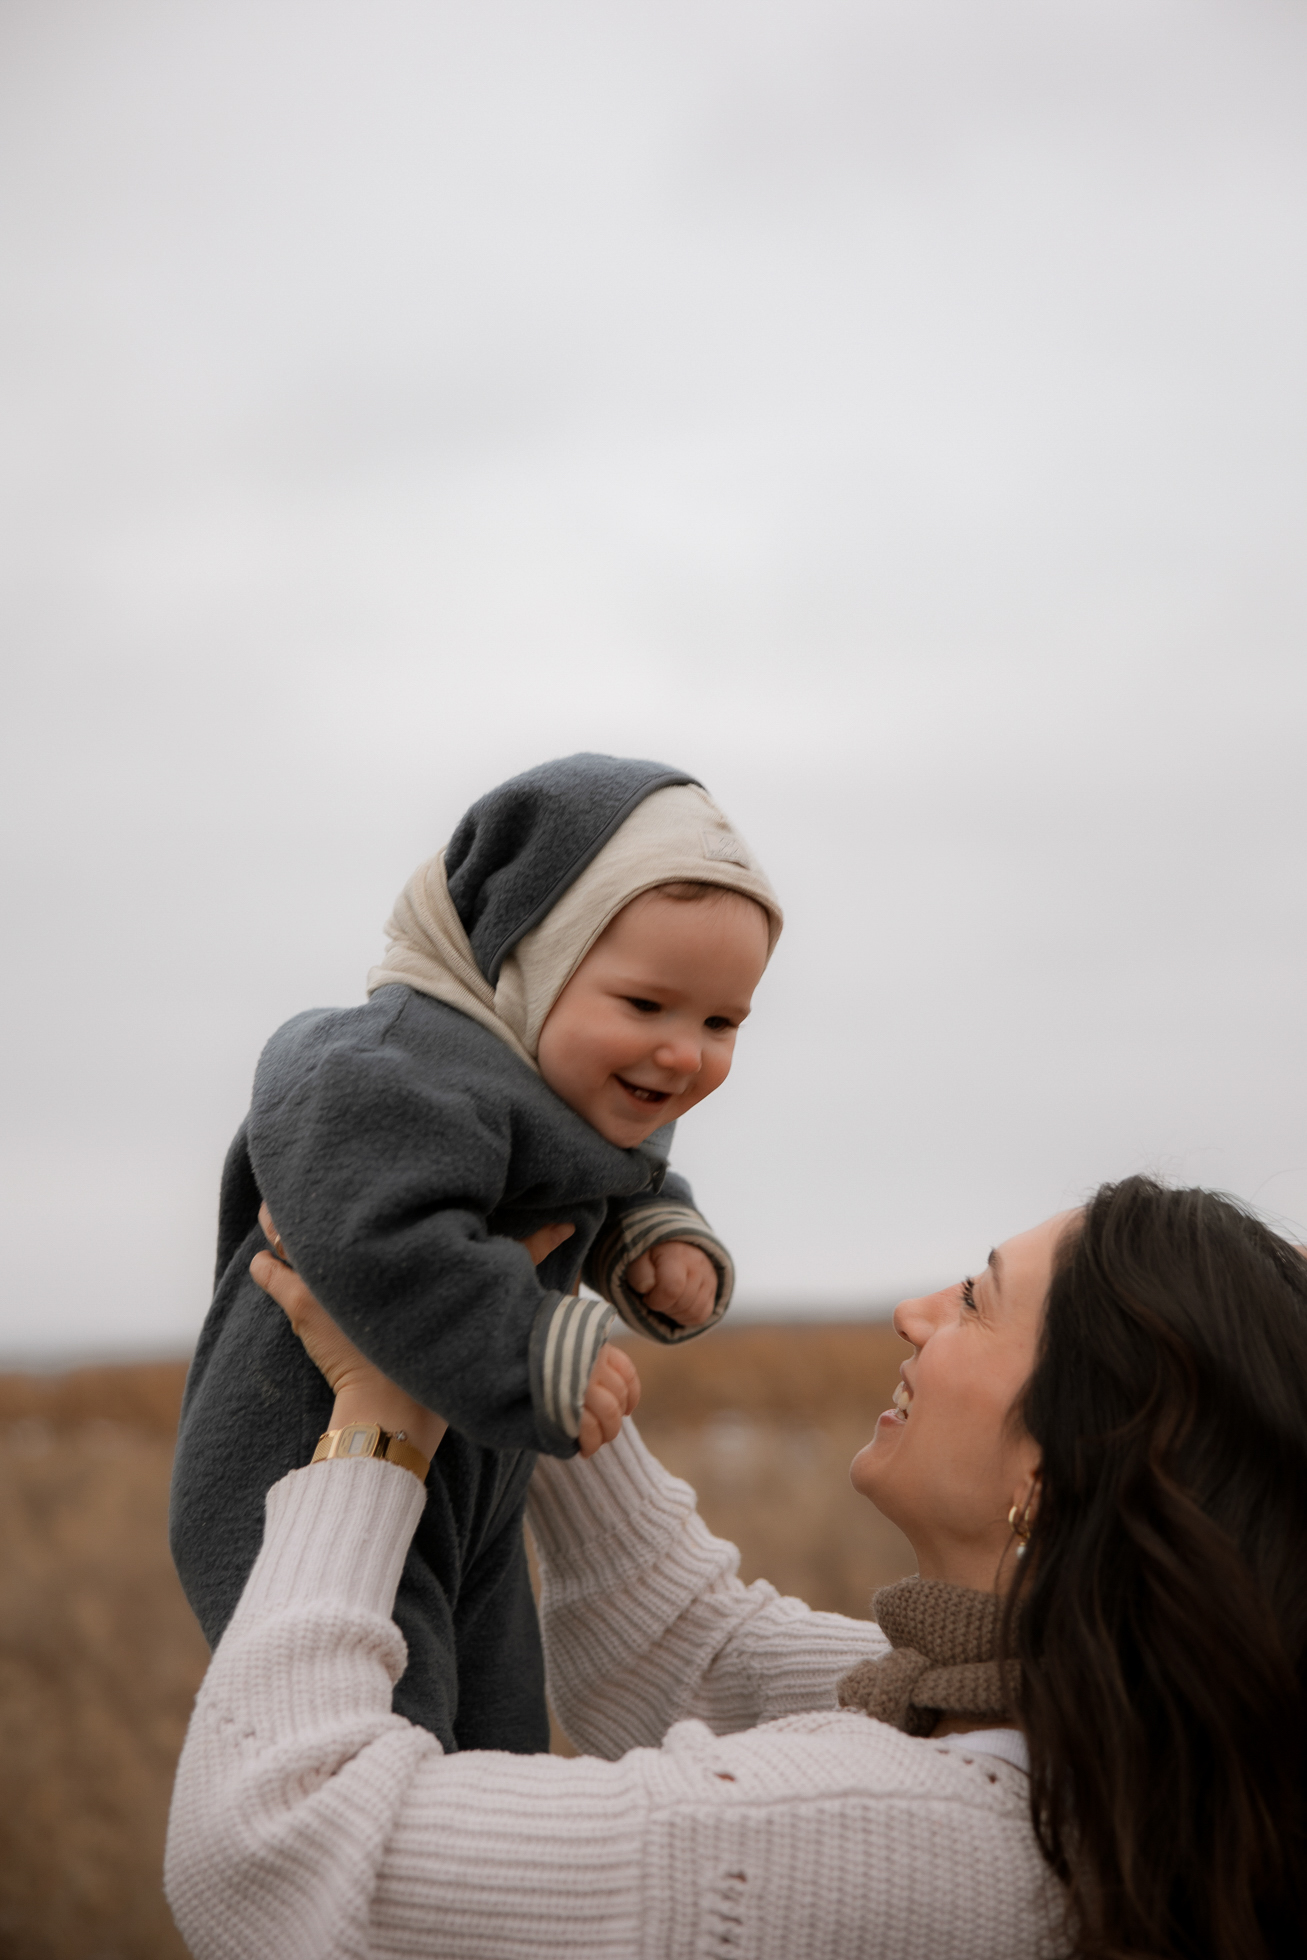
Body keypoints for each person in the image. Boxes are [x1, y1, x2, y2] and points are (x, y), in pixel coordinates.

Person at [165, 1176, 1307, 1959]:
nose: (913, 1313)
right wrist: (515, 1348)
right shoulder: (1114, 1743)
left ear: (1062, 1466)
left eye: (975, 1301)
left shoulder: (889, 1836)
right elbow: (690, 1651)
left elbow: (273, 1856)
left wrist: (376, 1424)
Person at [169, 752, 782, 1747]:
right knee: (373, 1738)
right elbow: (382, 1235)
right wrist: (526, 1346)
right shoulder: (381, 1071)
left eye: (721, 1021)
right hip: (304, 1462)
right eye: (645, 1006)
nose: (683, 1052)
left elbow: (598, 1170)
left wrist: (648, 1231)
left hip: (471, 1472)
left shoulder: (558, 1077)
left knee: (500, 1733)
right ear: (520, 963)